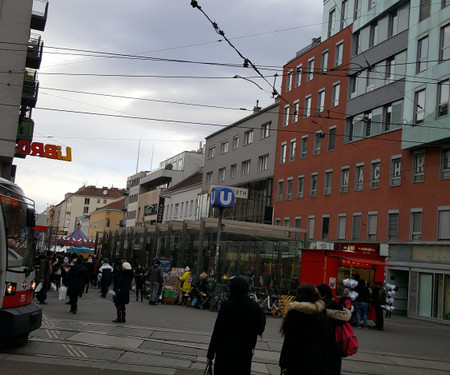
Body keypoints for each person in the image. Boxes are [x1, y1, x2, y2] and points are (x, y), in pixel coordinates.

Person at [207, 277, 265, 375]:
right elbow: (260, 328)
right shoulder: (254, 307)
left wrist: (210, 354)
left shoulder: (226, 305)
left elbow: (217, 331)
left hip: (225, 352)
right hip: (244, 353)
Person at [279, 283, 331, 375]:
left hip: (295, 357)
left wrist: (283, 362)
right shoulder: (320, 312)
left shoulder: (294, 313)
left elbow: (289, 340)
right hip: (314, 357)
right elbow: (326, 336)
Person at [316, 283, 352, 375]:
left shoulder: (322, 308)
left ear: (324, 295)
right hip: (337, 346)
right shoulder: (337, 306)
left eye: (317, 294)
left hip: (325, 347)